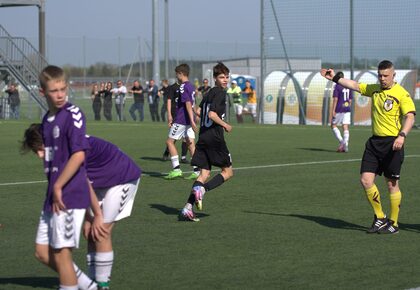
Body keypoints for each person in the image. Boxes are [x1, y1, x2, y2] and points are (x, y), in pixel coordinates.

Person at [22, 124, 142, 290]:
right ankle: (92, 282)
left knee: (100, 232)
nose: (40, 155)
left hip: (123, 178)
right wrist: (88, 219)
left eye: (41, 149)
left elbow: (83, 183)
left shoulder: (69, 151)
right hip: (99, 183)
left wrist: (97, 216)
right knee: (90, 233)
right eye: (36, 151)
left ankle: (102, 285)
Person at [320, 60, 416, 234]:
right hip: (374, 143)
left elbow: (410, 117)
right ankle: (379, 217)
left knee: (391, 185)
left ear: (393, 75)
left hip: (393, 143)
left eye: (386, 76)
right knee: (366, 180)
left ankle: (393, 224)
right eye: (380, 75)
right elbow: (355, 85)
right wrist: (334, 78)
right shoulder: (375, 89)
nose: (382, 79)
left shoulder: (402, 94)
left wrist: (402, 135)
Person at [32, 65, 97, 290]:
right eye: (54, 91)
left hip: (70, 194)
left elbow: (78, 155)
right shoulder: (46, 121)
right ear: (43, 92)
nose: (60, 94)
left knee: (62, 254)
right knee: (42, 252)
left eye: (62, 89)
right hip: (53, 196)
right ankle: (88, 286)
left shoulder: (73, 114)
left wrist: (59, 185)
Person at [180, 62, 234, 222]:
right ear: (215, 78)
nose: (225, 80)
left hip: (203, 138)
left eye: (227, 77)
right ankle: (203, 190)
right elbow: (211, 114)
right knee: (228, 172)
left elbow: (199, 110)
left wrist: (197, 122)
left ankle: (187, 208)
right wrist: (225, 125)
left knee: (204, 173)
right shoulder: (220, 93)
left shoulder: (209, 92)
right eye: (222, 77)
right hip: (215, 138)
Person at [164, 64, 199, 180]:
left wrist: (192, 120)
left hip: (181, 119)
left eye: (176, 74)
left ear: (181, 74)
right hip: (189, 119)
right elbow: (193, 104)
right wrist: (194, 117)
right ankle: (197, 171)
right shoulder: (191, 86)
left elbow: (188, 103)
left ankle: (176, 169)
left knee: (169, 142)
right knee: (191, 144)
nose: (176, 76)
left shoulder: (183, 86)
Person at [162, 81, 190, 163]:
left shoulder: (187, 86)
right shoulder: (173, 87)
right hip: (175, 114)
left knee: (186, 136)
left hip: (185, 114)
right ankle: (167, 152)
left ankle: (183, 157)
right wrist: (169, 115)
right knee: (173, 137)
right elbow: (169, 101)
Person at [330, 71, 353, 152]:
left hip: (339, 108)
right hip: (347, 108)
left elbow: (335, 99)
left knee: (333, 125)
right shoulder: (348, 85)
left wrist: (333, 110)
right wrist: (347, 106)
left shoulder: (337, 86)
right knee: (345, 126)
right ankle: (346, 144)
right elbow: (350, 100)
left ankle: (342, 142)